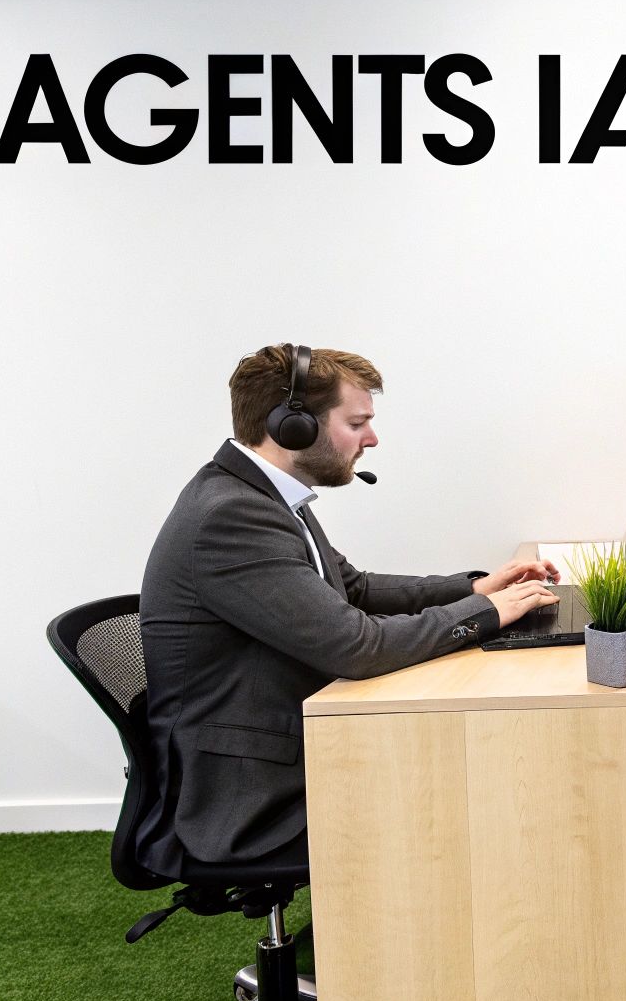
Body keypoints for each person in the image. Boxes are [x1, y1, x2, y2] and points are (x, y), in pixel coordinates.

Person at [137, 344, 562, 876]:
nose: (372, 439)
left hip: (284, 747)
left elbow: (353, 589)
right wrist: (489, 614)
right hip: (248, 798)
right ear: (292, 426)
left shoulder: (262, 494)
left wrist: (476, 588)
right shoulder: (232, 516)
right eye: (357, 422)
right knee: (475, 794)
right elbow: (357, 646)